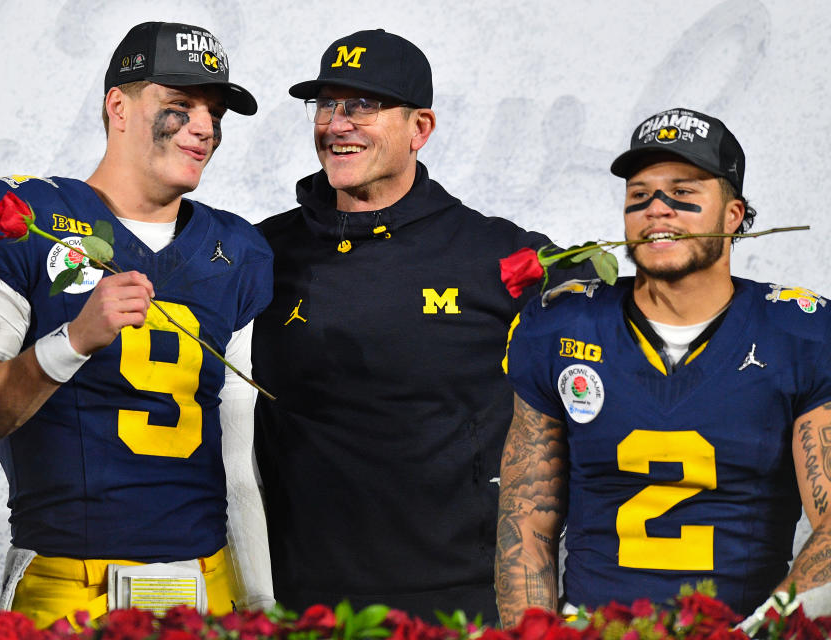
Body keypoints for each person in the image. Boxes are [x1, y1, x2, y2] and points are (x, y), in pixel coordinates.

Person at [0, 21, 274, 629]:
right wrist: (70, 343)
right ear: (118, 106)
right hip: (72, 583)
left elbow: (239, 442)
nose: (204, 126)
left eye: (214, 111)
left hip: (208, 580)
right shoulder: (28, 219)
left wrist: (259, 598)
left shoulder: (237, 250)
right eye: (180, 105)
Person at [251, 29, 592, 622]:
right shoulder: (267, 249)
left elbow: (636, 337)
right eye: (326, 105)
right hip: (301, 602)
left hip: (462, 601)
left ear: (420, 128)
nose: (337, 123)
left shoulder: (499, 255)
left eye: (363, 105)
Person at [495, 107, 831, 627]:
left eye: (684, 193)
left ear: (733, 215)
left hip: (743, 625)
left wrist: (761, 632)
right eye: (639, 196)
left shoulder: (800, 331)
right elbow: (525, 523)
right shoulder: (564, 326)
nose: (658, 209)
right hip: (595, 629)